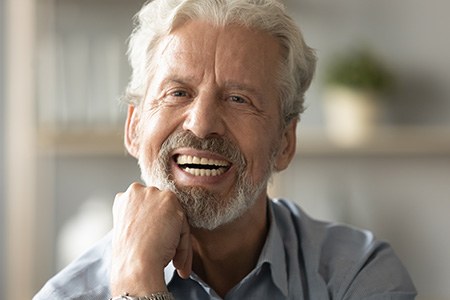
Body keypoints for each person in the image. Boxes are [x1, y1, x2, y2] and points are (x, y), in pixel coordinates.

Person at [34, 0, 417, 299]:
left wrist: (139, 290)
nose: (201, 124)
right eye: (177, 93)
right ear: (134, 127)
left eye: (238, 99)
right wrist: (136, 278)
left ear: (285, 142)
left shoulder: (357, 275)